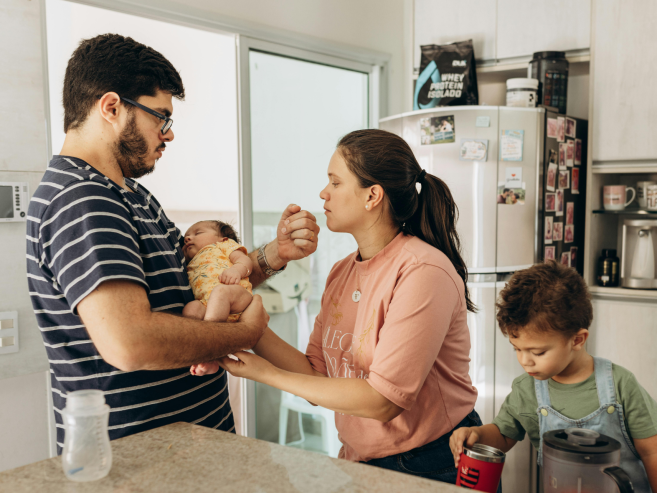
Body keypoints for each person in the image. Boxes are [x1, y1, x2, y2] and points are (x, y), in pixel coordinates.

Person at [26, 34, 319, 452]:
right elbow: (131, 343)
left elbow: (200, 279)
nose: (168, 135)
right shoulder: (83, 200)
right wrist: (244, 334)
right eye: (160, 118)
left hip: (191, 446)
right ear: (111, 107)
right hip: (142, 461)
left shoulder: (131, 194)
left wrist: (272, 256)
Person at [218, 129, 479, 484]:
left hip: (431, 461)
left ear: (373, 195)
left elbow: (383, 401)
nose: (323, 193)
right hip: (360, 459)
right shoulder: (342, 271)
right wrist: (251, 327)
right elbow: (316, 377)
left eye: (335, 182)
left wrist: (264, 373)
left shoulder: (423, 272)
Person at [449, 262, 657, 492]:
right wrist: (477, 434)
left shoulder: (620, 385)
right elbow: (503, 434)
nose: (525, 361)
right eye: (517, 348)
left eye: (538, 352)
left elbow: (652, 451)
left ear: (577, 340)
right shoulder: (526, 391)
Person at [182, 221, 254, 376]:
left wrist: (237, 270)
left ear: (223, 238)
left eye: (197, 233)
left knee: (220, 292)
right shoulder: (190, 262)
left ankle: (210, 350)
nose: (188, 238)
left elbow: (245, 261)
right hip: (210, 308)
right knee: (191, 308)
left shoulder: (223, 246)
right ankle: (200, 353)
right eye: (186, 237)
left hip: (236, 297)